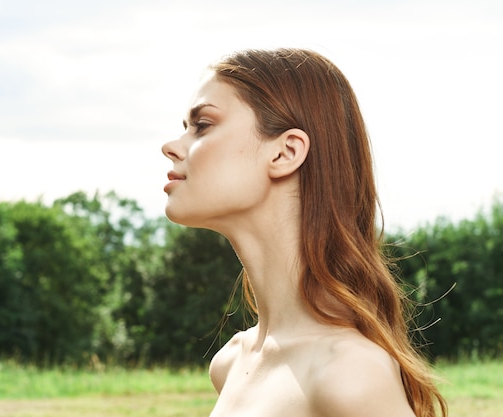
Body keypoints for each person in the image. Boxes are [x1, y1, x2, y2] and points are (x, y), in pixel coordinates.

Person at [162, 47, 447, 417]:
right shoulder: (231, 362)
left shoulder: (350, 375)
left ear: (285, 153)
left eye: (203, 125)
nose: (171, 147)